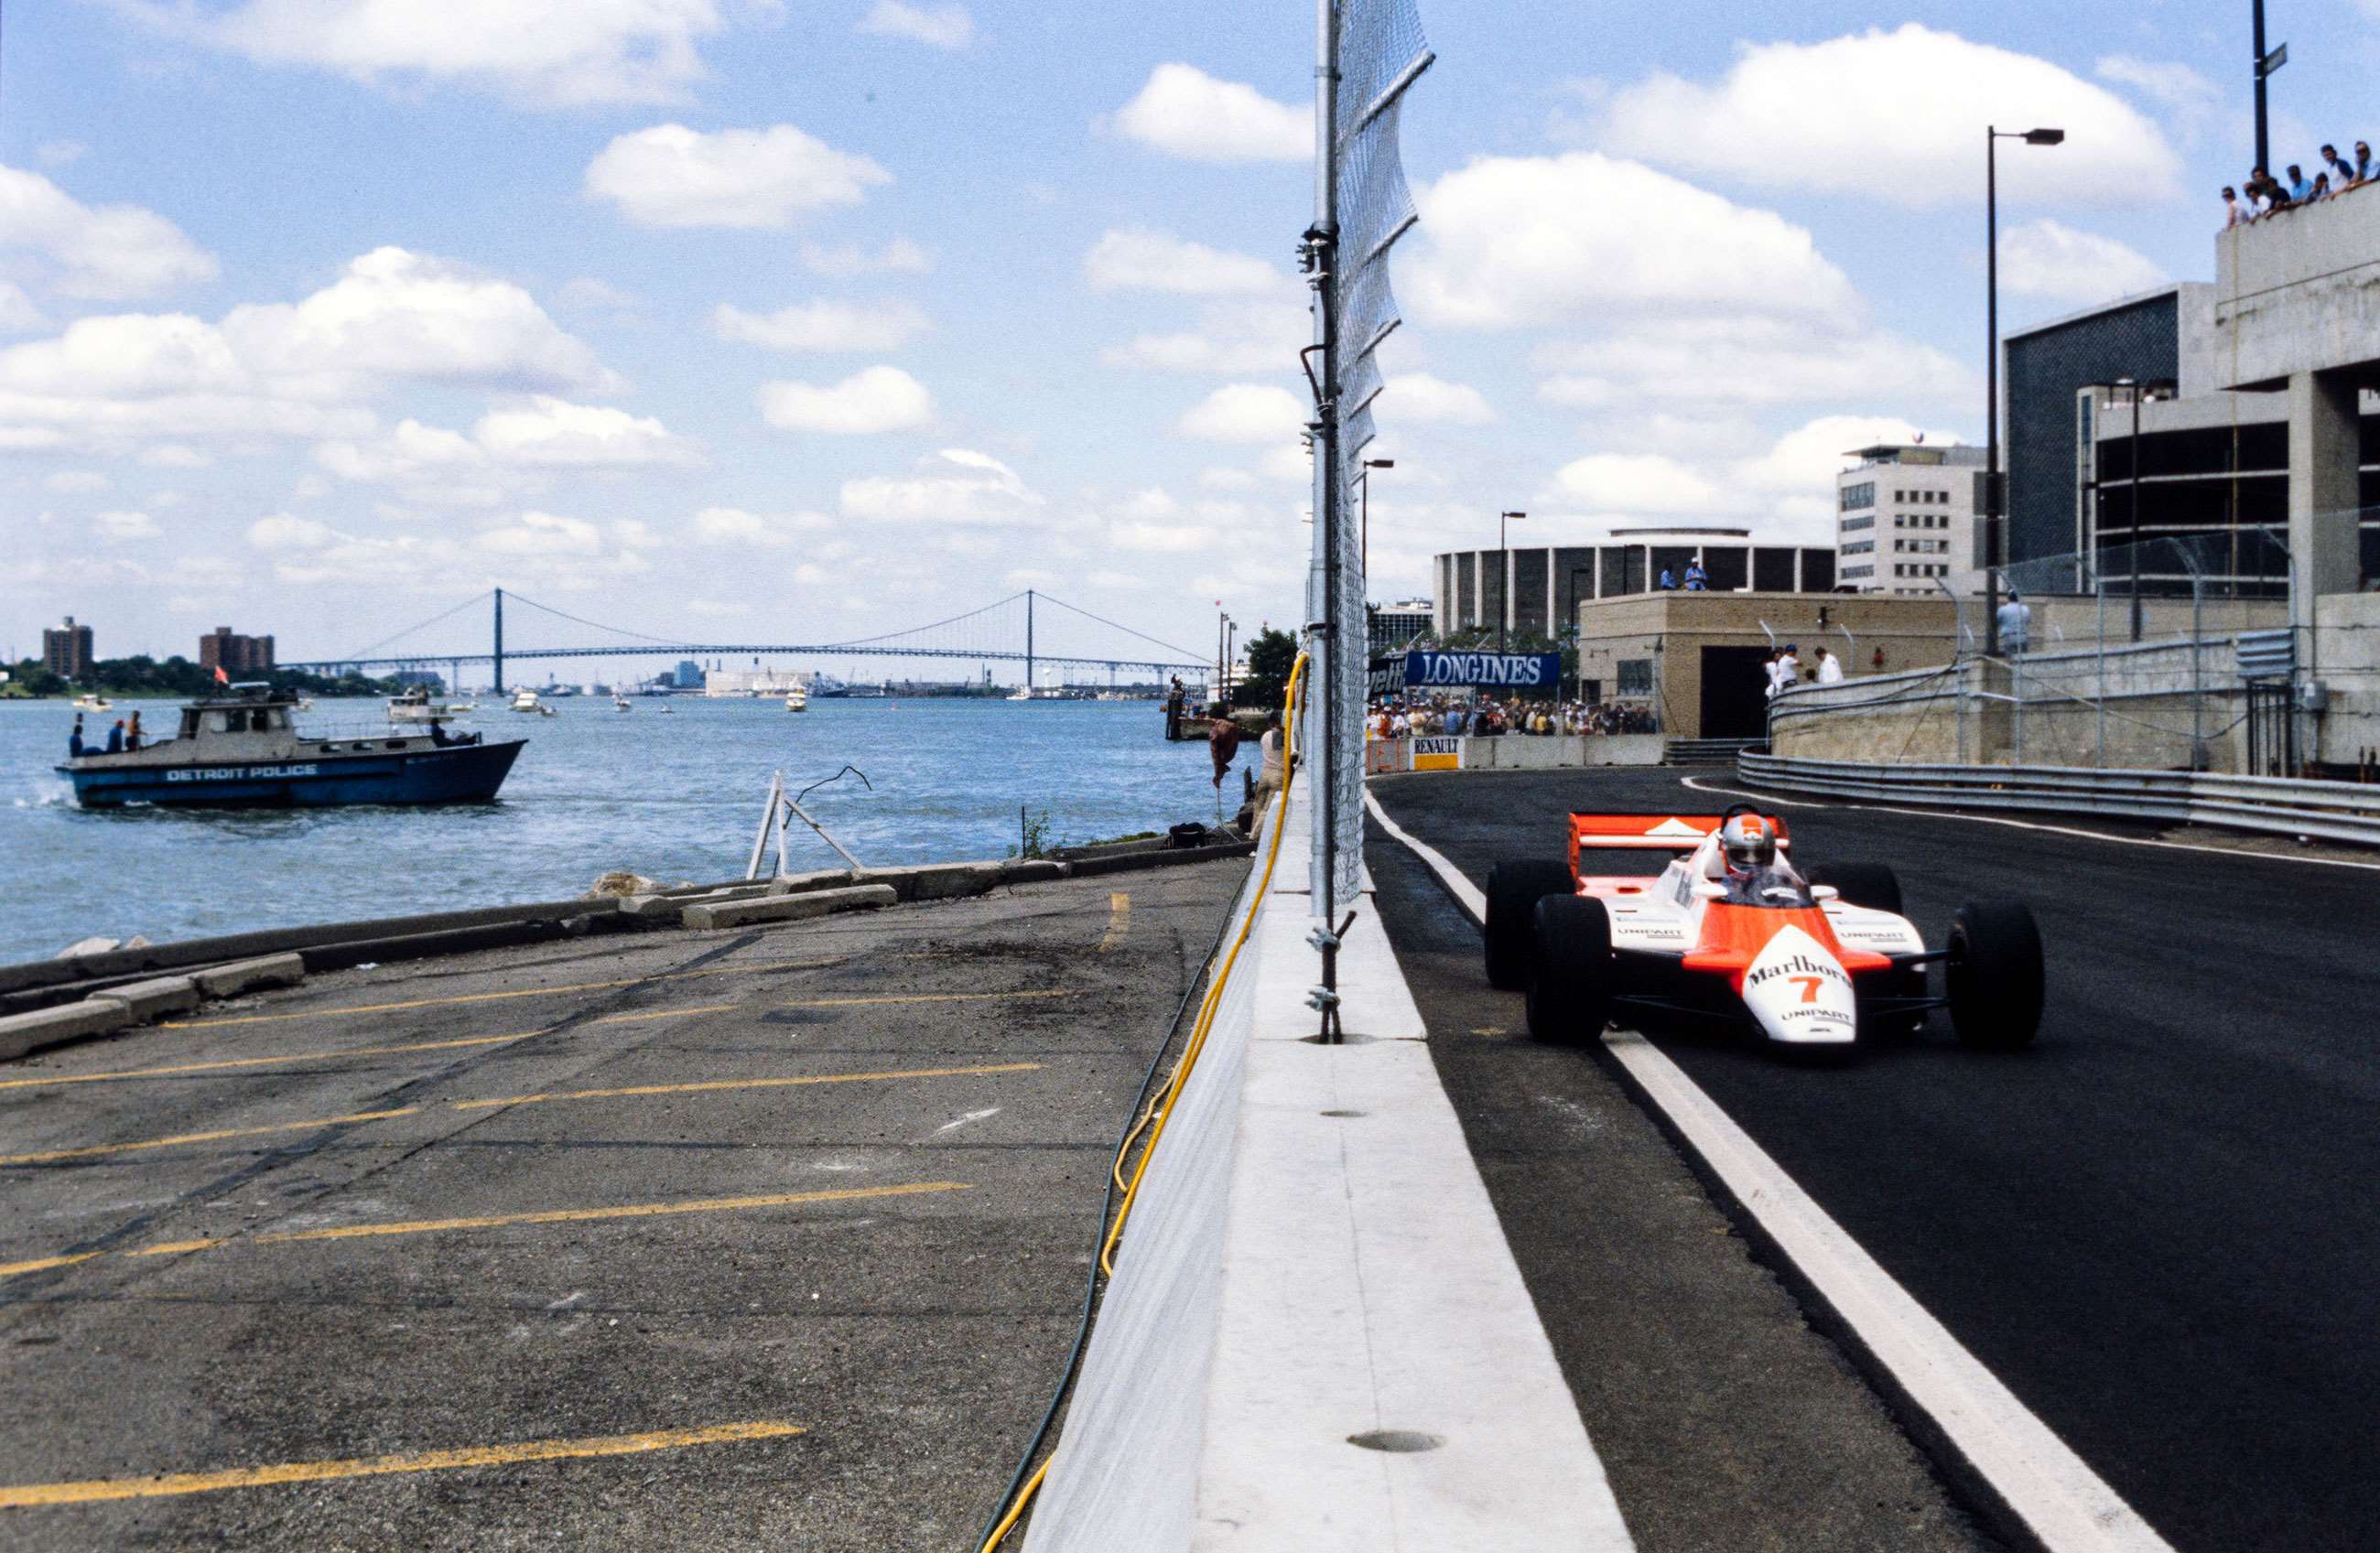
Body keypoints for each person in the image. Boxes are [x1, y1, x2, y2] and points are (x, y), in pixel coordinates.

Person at [1207, 713, 1243, 789]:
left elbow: (1215, 751)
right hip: (1227, 752)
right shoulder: (1234, 727)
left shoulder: (1218, 725)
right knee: (1220, 760)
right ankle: (1220, 772)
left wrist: (1217, 773)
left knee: (1217, 758)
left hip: (1221, 746)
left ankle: (1219, 774)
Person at [1257, 714, 1286, 799]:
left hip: (1264, 774)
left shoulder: (1265, 735)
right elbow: (1277, 751)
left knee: (1259, 804)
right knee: (1270, 807)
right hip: (1277, 775)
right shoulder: (1278, 735)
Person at [1997, 588, 2032, 654]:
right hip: (2023, 636)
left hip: (2009, 636)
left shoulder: (2003, 609)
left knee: (2011, 658)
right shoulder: (2026, 609)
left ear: (2008, 597)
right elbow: (2028, 621)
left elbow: (1998, 621)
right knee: (2023, 659)